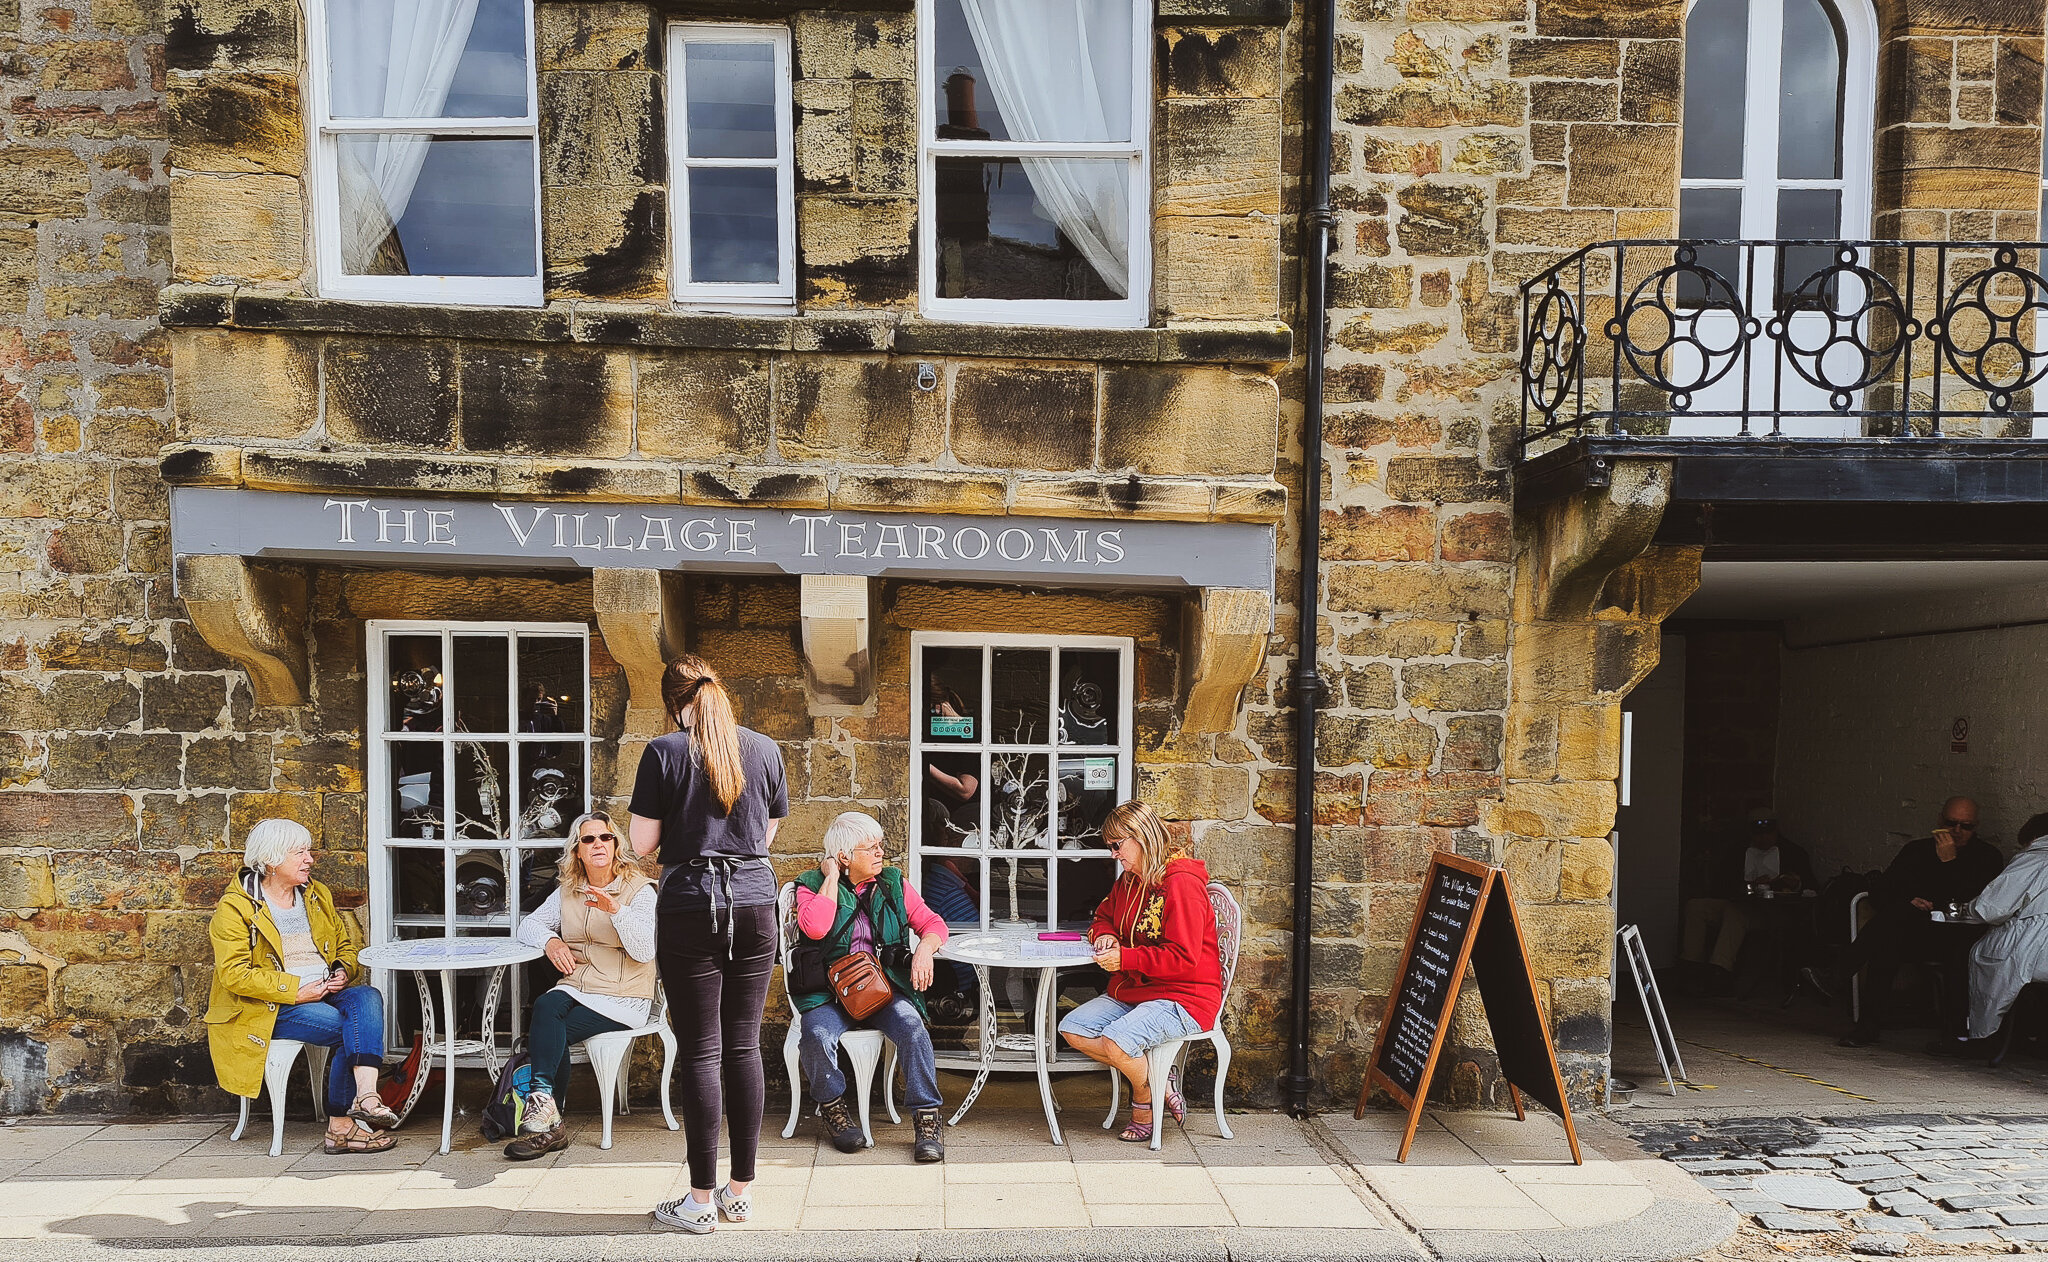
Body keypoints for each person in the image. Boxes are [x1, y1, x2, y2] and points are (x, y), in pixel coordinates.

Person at [629, 654, 788, 1234]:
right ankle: (739, 1192)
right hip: (752, 900)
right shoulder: (765, 749)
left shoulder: (665, 751)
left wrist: (687, 825)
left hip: (692, 901)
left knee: (701, 1051)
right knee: (743, 1048)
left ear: (676, 703)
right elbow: (765, 834)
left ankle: (698, 1201)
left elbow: (644, 844)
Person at [205, 818, 399, 1154]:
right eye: (300, 853)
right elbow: (234, 974)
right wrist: (294, 990)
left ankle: (366, 1096)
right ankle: (341, 1126)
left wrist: (341, 969)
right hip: (270, 1007)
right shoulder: (235, 908)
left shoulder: (316, 894)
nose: (309, 859)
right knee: (347, 1031)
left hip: (325, 992)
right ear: (271, 859)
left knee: (367, 995)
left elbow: (345, 946)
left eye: (308, 851)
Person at [1058, 800, 1223, 1144]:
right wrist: (1104, 934)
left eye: (1117, 846)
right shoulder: (1130, 880)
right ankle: (1158, 1080)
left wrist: (1125, 960)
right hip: (1139, 990)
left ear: (1142, 837)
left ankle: (1144, 1101)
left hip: (1184, 996)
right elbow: (1103, 915)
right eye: (1111, 847)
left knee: (1116, 1042)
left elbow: (1184, 957)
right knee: (1071, 1028)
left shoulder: (1181, 884)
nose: (1114, 855)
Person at [791, 811, 950, 1162]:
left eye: (880, 846)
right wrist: (831, 877)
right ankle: (834, 1108)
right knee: (815, 1036)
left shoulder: (893, 883)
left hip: (885, 989)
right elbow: (816, 928)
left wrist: (925, 949)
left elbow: (933, 922)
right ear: (844, 856)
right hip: (830, 994)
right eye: (870, 848)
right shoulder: (809, 884)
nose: (880, 853)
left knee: (913, 1028)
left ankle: (927, 1119)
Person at [507, 810, 657, 1159]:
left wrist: (616, 910)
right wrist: (551, 942)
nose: (598, 844)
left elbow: (645, 949)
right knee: (548, 1008)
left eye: (605, 837)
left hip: (624, 996)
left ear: (616, 844)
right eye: (588, 839)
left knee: (548, 1022)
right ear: (578, 851)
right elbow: (527, 926)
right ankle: (548, 1114)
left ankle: (547, 1121)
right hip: (581, 987)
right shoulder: (568, 891)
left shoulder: (639, 890)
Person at [1839, 796, 2005, 1047]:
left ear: (1976, 827)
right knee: (1891, 931)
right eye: (1951, 823)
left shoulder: (1987, 857)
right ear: (1940, 821)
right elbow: (1880, 892)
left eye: (1966, 826)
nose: (1957, 831)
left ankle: (1836, 975)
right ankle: (1867, 1027)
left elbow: (1973, 900)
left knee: (1899, 928)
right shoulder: (1916, 851)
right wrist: (1908, 900)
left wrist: (1950, 862)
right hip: (1916, 931)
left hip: (1961, 936)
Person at [1677, 811, 1815, 995]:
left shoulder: (1793, 853)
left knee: (1736, 914)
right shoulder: (1738, 851)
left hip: (1773, 912)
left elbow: (1811, 887)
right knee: (1696, 907)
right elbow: (1720, 884)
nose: (1763, 839)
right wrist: (1747, 886)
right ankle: (1691, 968)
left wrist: (1795, 883)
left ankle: (1720, 970)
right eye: (1758, 834)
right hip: (1741, 902)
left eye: (1768, 833)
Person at [1952, 813, 2048, 1050]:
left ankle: (1974, 1039)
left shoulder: (2034, 859)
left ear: (2034, 837)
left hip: (2036, 951)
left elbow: (1991, 908)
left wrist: (1954, 911)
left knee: (1969, 956)